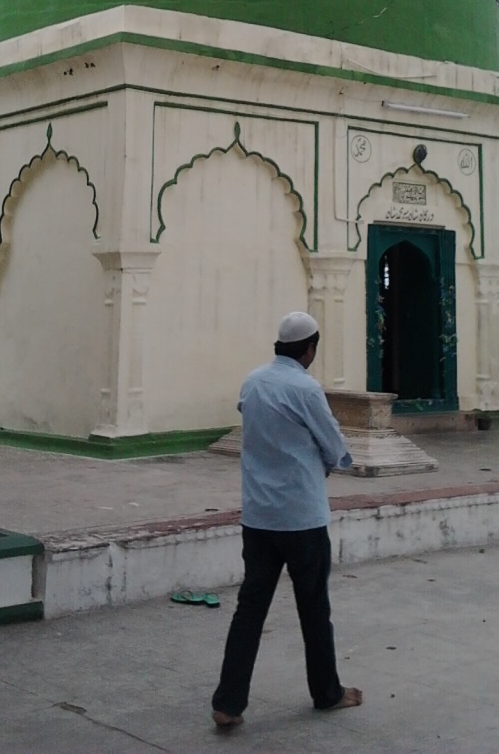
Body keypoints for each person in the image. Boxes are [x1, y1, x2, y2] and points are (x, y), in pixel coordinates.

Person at [211, 311, 363, 729]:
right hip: (302, 519)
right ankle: (327, 692)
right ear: (309, 348)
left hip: (259, 517)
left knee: (250, 609)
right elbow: (335, 447)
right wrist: (331, 461)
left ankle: (228, 703)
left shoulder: (253, 381)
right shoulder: (306, 389)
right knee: (314, 608)